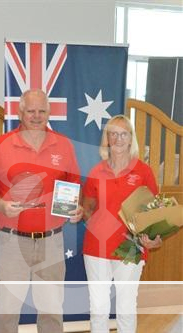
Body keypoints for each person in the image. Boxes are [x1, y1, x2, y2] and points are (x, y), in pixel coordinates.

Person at [0, 89, 83, 333]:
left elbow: (73, 184)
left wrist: (75, 207)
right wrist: (1, 204)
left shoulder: (64, 145)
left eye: (42, 111)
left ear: (49, 112)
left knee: (52, 311)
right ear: (20, 112)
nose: (36, 116)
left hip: (52, 241)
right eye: (31, 111)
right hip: (12, 242)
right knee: (6, 310)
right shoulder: (0, 144)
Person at [82, 115, 162, 333]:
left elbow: (155, 213)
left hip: (131, 247)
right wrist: (92, 221)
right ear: (106, 138)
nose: (118, 139)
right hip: (96, 248)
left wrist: (153, 239)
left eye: (123, 134)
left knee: (126, 306)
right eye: (113, 134)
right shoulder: (96, 171)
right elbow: (87, 209)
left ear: (131, 139)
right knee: (98, 307)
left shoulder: (143, 172)